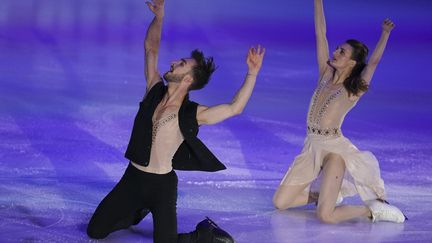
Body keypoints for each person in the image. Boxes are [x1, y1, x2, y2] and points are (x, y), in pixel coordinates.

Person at [86, 0, 265, 242]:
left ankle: (203, 235)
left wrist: (252, 74)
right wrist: (158, 19)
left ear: (188, 79)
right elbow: (151, 48)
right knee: (95, 231)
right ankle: (137, 211)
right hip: (132, 178)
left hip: (162, 187)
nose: (173, 62)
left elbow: (235, 108)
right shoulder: (154, 89)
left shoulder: (192, 113)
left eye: (180, 64)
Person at [273, 0, 405, 224]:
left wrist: (384, 34)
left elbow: (372, 63)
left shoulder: (352, 90)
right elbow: (320, 33)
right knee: (280, 203)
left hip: (335, 151)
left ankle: (371, 210)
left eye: (341, 52)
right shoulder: (325, 74)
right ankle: (326, 195)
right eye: (337, 48)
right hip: (311, 146)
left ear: (352, 63)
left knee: (325, 216)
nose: (335, 52)